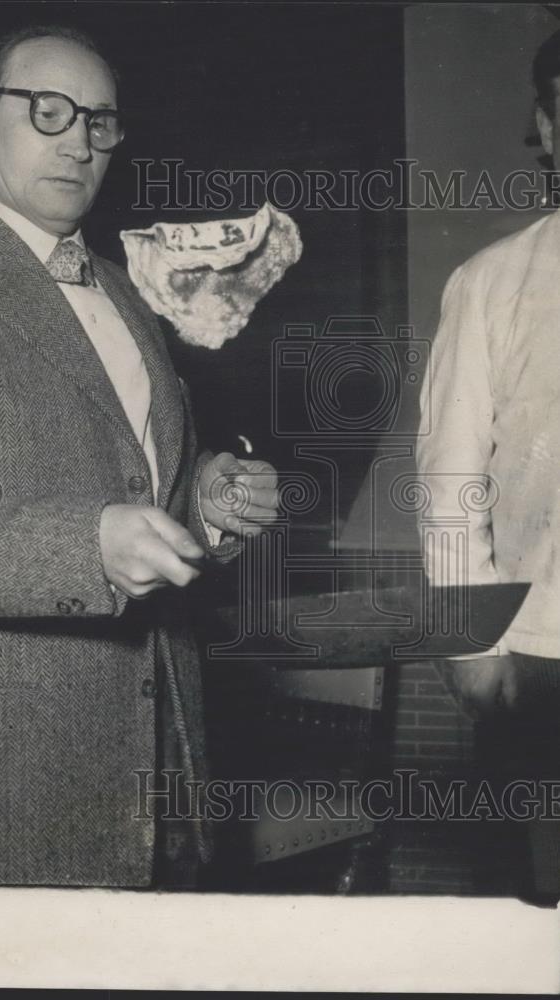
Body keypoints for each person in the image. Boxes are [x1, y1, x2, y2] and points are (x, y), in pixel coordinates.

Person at [0, 23, 278, 887]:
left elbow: (150, 479)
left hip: (169, 762)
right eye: (46, 111)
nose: (77, 141)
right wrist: (92, 544)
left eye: (98, 121)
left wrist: (212, 498)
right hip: (19, 778)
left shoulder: (127, 291)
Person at [416, 28, 560, 902]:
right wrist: (474, 651)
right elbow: (448, 480)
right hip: (544, 664)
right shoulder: (492, 284)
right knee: (531, 924)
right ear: (549, 128)